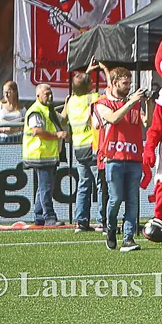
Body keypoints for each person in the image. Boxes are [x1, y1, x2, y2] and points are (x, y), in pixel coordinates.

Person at [94, 66, 149, 252]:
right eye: (125, 83)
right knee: (115, 199)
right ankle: (110, 228)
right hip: (113, 158)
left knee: (133, 200)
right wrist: (131, 102)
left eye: (130, 83)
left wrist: (147, 103)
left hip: (134, 157)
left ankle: (128, 238)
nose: (128, 87)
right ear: (115, 82)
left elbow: (146, 122)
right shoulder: (102, 104)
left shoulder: (134, 103)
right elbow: (114, 118)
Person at [22, 82, 66, 227]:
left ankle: (39, 216)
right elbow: (36, 130)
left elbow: (62, 120)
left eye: (50, 93)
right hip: (40, 154)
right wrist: (57, 135)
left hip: (48, 154)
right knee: (46, 187)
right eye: (46, 93)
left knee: (43, 187)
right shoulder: (36, 110)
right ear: (38, 95)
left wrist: (67, 104)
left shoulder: (48, 109)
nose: (50, 96)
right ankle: (49, 217)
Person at [63, 70, 99, 233]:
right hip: (93, 146)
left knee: (83, 185)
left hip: (78, 148)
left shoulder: (71, 101)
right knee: (101, 183)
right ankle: (102, 220)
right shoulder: (92, 98)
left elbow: (77, 87)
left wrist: (87, 72)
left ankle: (81, 221)